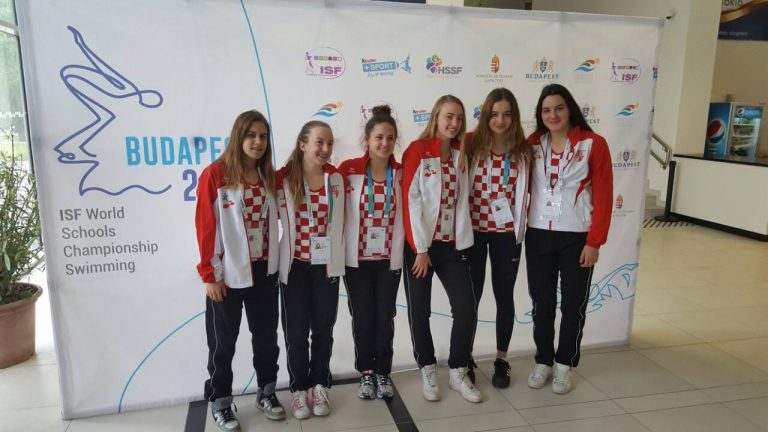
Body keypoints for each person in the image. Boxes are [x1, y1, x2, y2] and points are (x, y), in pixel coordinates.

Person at [195, 110, 285, 432]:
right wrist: (211, 275)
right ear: (238, 137)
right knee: (223, 345)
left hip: (264, 272)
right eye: (251, 135)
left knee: (266, 339)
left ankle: (267, 392)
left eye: (263, 136)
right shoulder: (216, 175)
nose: (258, 142)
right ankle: (220, 402)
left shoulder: (268, 175)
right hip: (228, 276)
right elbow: (206, 227)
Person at [525, 83, 613, 394]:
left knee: (573, 305)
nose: (553, 115)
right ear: (540, 114)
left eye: (559, 108)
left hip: (577, 237)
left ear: (570, 109)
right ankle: (543, 361)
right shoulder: (532, 144)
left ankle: (564, 365)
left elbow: (604, 195)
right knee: (542, 304)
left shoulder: (593, 144)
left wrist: (595, 241)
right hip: (538, 235)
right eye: (546, 110)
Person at [401, 95, 481, 403]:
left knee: (466, 308)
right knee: (420, 311)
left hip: (451, 246)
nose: (454, 123)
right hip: (420, 248)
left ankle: (459, 369)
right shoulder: (417, 151)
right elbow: (411, 201)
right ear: (435, 117)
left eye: (459, 117)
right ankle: (427, 367)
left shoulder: (462, 153)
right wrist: (421, 249)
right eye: (449, 116)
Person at [276, 120, 345, 419]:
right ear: (303, 144)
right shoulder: (282, 179)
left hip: (326, 267)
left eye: (329, 143)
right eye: (319, 142)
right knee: (296, 333)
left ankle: (319, 385)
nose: (326, 149)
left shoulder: (337, 179)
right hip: (295, 268)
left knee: (323, 331)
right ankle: (298, 390)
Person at [464, 88, 532, 389]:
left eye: (506, 114)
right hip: (474, 233)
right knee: (471, 298)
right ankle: (465, 357)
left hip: (506, 235)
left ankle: (501, 359)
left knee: (504, 297)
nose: (500, 120)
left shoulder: (524, 151)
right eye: (494, 114)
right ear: (485, 116)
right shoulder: (471, 144)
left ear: (514, 117)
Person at [339, 105, 405, 401]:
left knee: (384, 317)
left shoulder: (401, 173)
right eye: (379, 137)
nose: (384, 143)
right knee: (363, 318)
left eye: (390, 138)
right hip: (357, 261)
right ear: (367, 139)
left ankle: (383, 372)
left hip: (389, 260)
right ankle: (366, 371)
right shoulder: (349, 169)